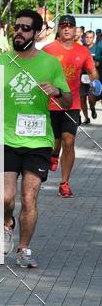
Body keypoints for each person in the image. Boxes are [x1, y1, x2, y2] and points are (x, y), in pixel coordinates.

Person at [0, 9, 71, 269]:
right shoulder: (1, 62)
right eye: (17, 27)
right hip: (6, 138)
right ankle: (7, 222)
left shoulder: (50, 63)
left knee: (29, 198)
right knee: (5, 198)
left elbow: (68, 101)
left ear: (36, 32)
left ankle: (23, 249)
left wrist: (58, 91)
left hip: (38, 140)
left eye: (26, 28)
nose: (19, 31)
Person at [44, 15, 97, 197]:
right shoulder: (49, 49)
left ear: (75, 30)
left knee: (69, 141)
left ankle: (64, 182)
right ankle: (53, 154)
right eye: (63, 26)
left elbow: (92, 71)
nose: (67, 29)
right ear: (59, 29)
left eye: (70, 26)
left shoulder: (83, 52)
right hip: (50, 103)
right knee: (55, 142)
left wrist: (95, 83)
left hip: (71, 104)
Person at [81, 31, 99, 123]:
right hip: (82, 77)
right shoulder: (81, 48)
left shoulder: (97, 48)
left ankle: (92, 108)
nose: (88, 39)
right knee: (82, 98)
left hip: (92, 76)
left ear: (94, 38)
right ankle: (86, 118)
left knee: (91, 98)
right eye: (87, 37)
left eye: (91, 37)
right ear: (84, 37)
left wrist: (97, 63)